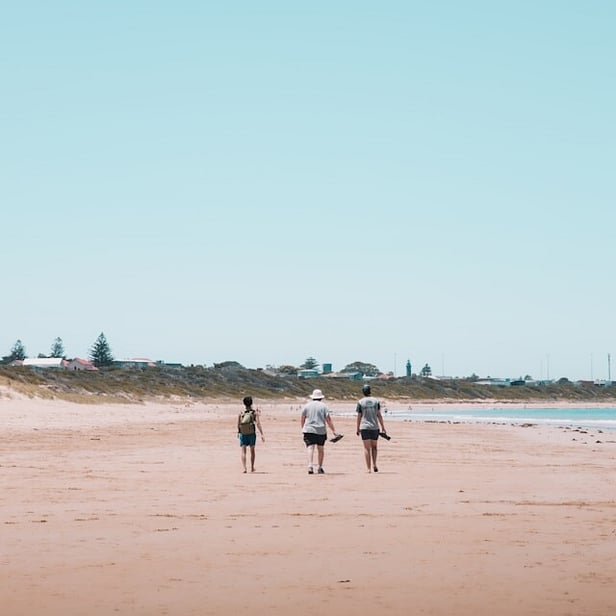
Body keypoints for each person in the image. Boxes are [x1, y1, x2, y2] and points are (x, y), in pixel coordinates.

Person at [301, 389, 340, 474]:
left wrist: (302, 428)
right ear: (321, 398)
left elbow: (303, 418)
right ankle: (320, 467)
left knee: (310, 448)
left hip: (309, 429)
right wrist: (333, 431)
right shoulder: (324, 406)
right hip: (321, 430)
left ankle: (310, 466)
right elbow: (328, 419)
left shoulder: (307, 405)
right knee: (320, 449)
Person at [356, 384, 386, 473]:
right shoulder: (376, 401)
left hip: (364, 427)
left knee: (366, 448)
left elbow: (359, 416)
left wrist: (357, 428)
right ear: (370, 391)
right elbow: (379, 415)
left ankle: (368, 469)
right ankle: (374, 464)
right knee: (374, 447)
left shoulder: (360, 402)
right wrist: (383, 427)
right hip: (374, 427)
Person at [237, 395, 264, 473]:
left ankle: (244, 468)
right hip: (251, 433)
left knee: (243, 451)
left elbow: (238, 424)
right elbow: (258, 423)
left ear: (244, 403)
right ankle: (252, 467)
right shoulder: (254, 412)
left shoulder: (241, 413)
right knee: (252, 451)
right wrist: (262, 433)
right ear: (251, 403)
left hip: (243, 433)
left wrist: (239, 432)